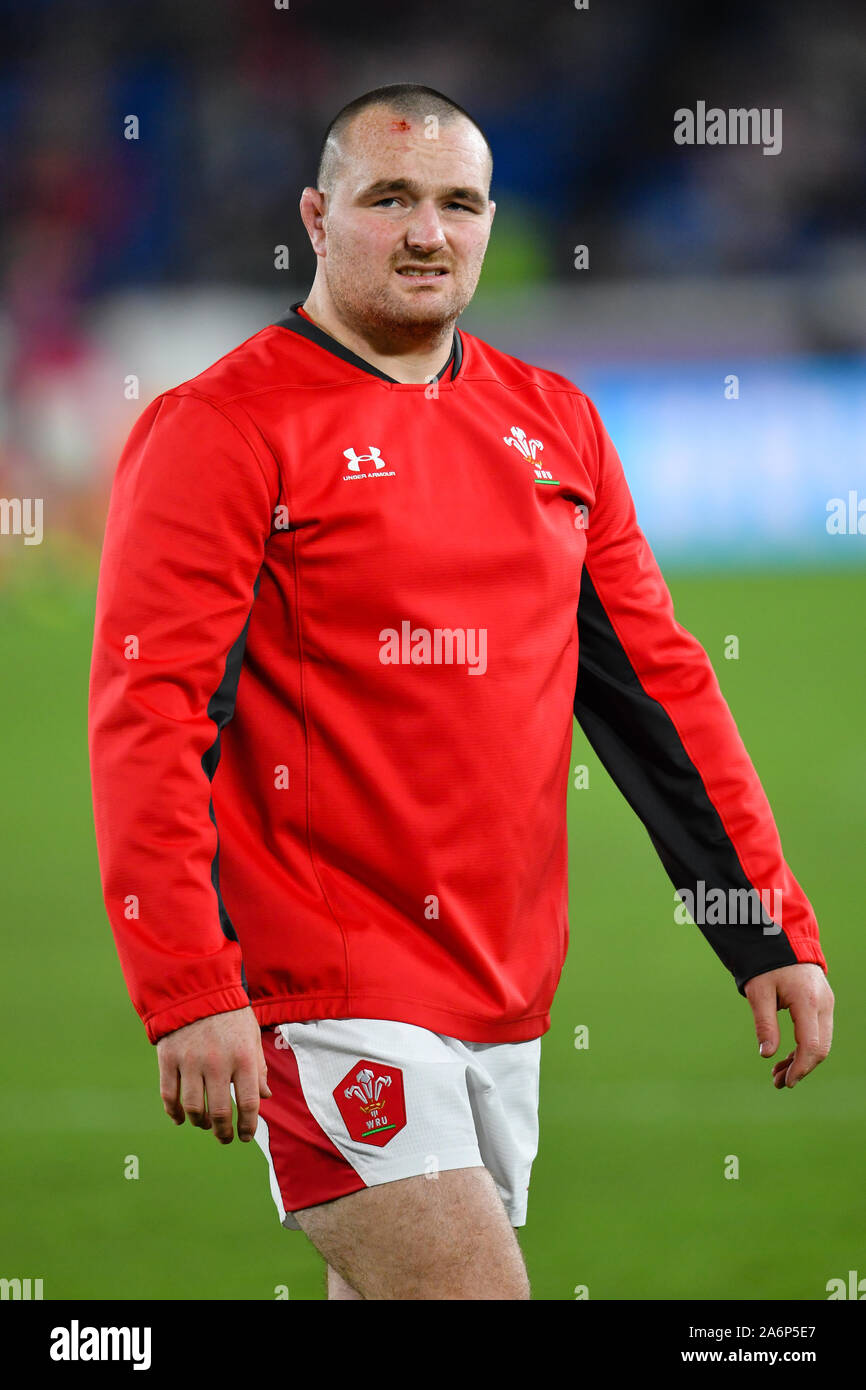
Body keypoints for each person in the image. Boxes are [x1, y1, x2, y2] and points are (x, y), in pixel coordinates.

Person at [88, 83, 833, 1302]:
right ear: (318, 218)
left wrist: (758, 926)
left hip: (503, 984)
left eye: (456, 203)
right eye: (389, 199)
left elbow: (659, 696)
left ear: (489, 221)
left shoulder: (555, 426)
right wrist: (186, 982)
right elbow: (150, 715)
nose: (427, 232)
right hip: (324, 980)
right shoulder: (220, 429)